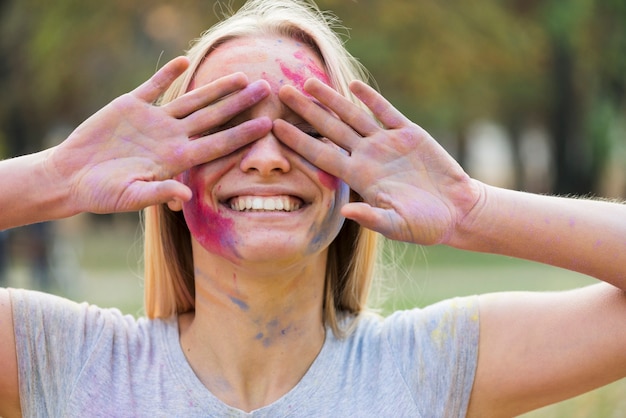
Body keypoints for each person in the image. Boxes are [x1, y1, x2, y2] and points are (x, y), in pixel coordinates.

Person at [1, 0, 625, 416]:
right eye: (230, 127)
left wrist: (471, 208)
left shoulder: (426, 366)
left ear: (355, 173)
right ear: (168, 173)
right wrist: (54, 178)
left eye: (306, 127)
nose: (268, 158)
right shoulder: (66, 358)